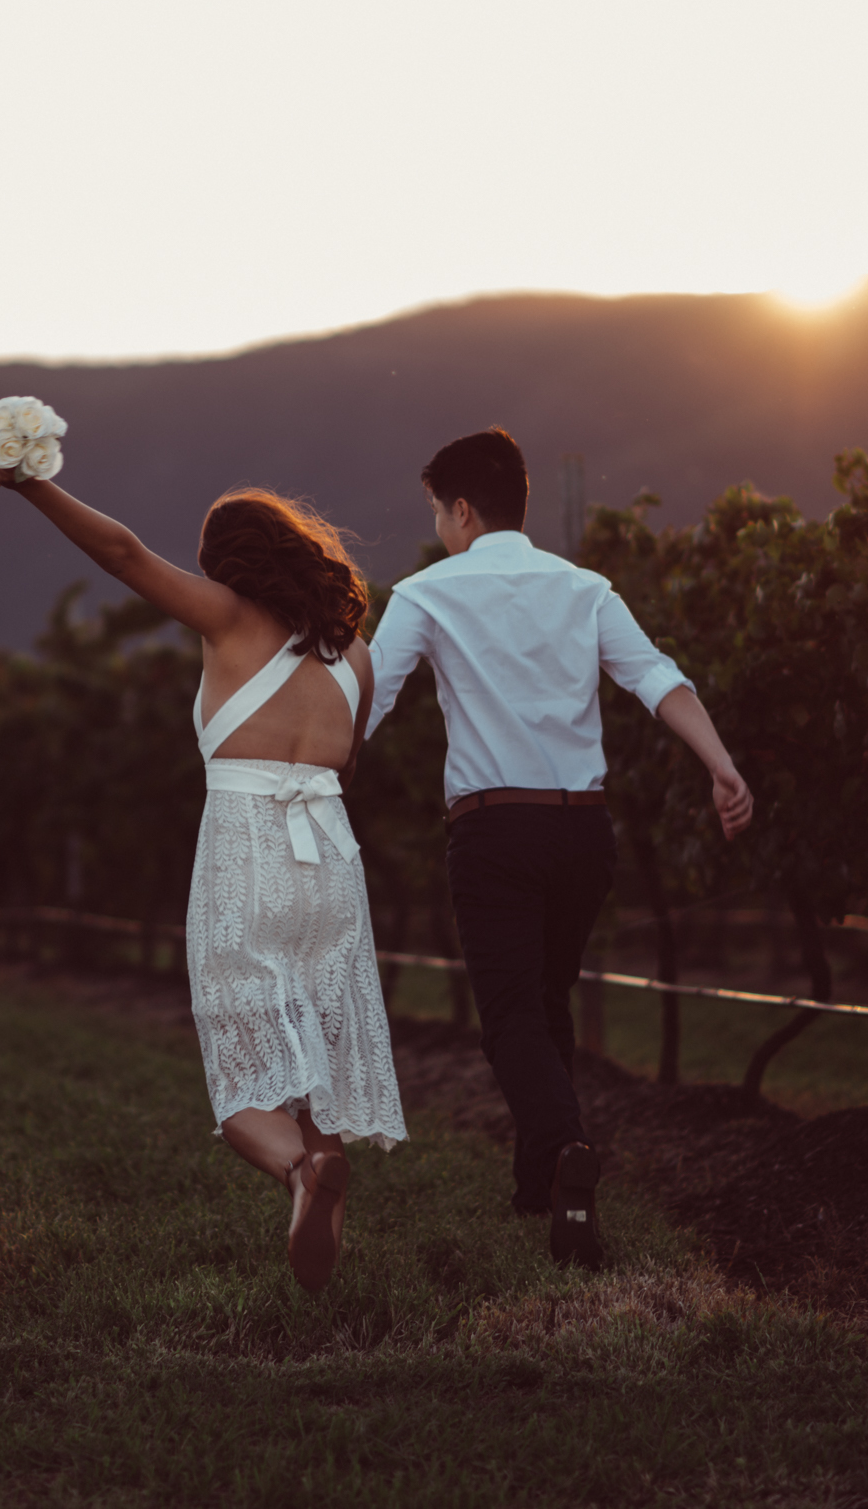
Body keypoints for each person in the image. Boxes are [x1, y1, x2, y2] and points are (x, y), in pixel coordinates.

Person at [0, 467, 407, 1292]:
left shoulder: (224, 617)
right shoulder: (357, 658)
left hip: (245, 850)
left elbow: (119, 552)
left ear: (229, 565)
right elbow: (348, 766)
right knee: (319, 1043)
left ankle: (297, 1176)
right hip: (329, 856)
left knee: (238, 1069)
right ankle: (320, 1225)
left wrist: (31, 484)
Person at [364, 427, 753, 1269]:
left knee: (508, 1018)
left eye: (438, 511)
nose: (438, 527)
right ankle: (536, 1187)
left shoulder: (427, 593)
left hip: (495, 829)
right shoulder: (585, 587)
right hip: (584, 831)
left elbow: (371, 701)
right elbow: (657, 678)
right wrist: (721, 767)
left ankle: (568, 1148)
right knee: (546, 1001)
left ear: (461, 509)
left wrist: (302, 760)